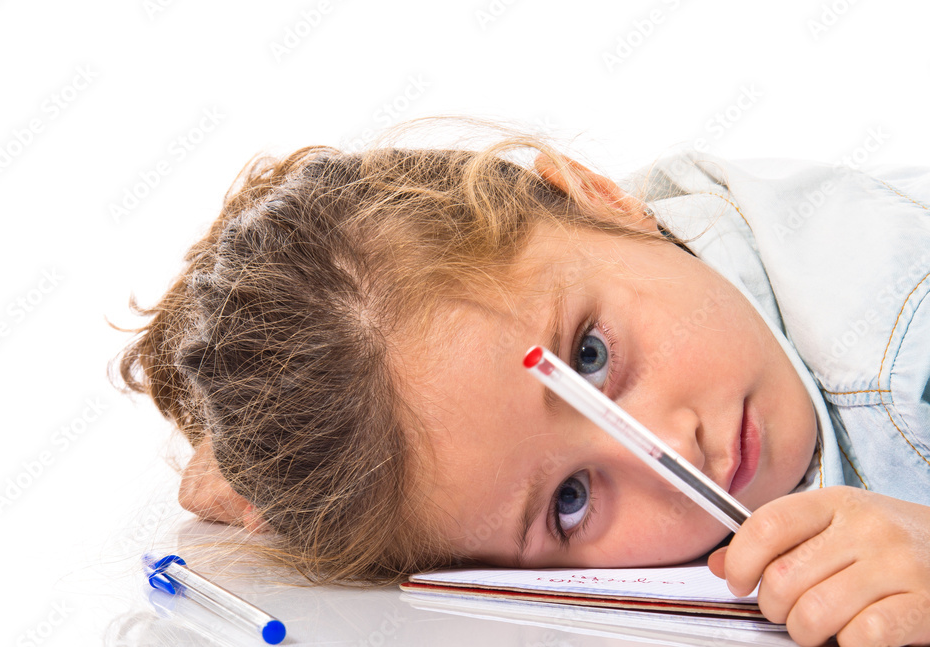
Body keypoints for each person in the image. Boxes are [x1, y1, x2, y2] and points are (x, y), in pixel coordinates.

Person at [114, 118, 930, 647]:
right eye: (571, 499)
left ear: (600, 196)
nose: (670, 450)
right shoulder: (590, 262)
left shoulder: (901, 344)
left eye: (590, 359)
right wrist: (290, 477)